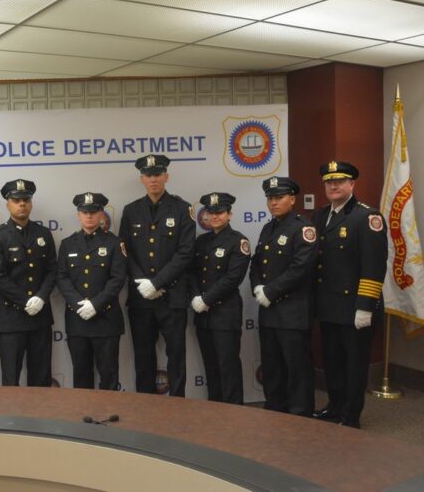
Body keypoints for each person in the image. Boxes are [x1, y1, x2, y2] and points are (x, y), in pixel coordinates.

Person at [312, 161, 388, 429]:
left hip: (355, 308)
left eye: (340, 181)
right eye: (329, 182)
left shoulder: (367, 217)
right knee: (332, 362)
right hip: (329, 306)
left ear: (352, 184)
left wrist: (365, 306)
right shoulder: (321, 216)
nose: (333, 186)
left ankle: (351, 416)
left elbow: (374, 266)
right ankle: (335, 407)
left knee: (354, 365)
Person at [119, 155, 194, 396]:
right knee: (143, 356)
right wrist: (144, 283)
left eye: (158, 174)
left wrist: (158, 282)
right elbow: (125, 250)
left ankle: (178, 404)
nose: (153, 179)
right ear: (142, 179)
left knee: (176, 355)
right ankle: (145, 406)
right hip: (141, 298)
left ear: (166, 177)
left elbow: (185, 252)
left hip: (172, 297)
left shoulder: (182, 209)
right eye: (148, 175)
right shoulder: (131, 211)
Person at [249, 176, 317, 416]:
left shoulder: (303, 228)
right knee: (272, 365)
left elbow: (300, 268)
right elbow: (256, 263)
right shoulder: (268, 228)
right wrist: (257, 287)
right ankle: (275, 408)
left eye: (279, 197)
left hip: (293, 312)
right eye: (270, 198)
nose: (273, 203)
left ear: (292, 199)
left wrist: (270, 291)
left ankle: (300, 415)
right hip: (269, 311)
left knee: (297, 368)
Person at [0, 179, 57, 386]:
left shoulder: (43, 234)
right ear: (7, 204)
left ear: (31, 203)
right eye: (16, 200)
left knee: (41, 377)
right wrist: (25, 301)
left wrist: (41, 297)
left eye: (26, 200)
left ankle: (41, 409)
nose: (22, 204)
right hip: (11, 318)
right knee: (11, 378)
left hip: (40, 317)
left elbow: (52, 270)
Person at [57, 193, 127, 390]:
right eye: (84, 212)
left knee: (109, 376)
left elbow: (117, 279)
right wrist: (79, 304)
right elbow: (62, 277)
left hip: (106, 320)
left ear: (101, 214)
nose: (89, 216)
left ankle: (109, 410)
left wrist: (95, 304)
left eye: (94, 212)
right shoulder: (67, 244)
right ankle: (82, 411)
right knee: (81, 375)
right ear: (78, 215)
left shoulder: (114, 243)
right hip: (77, 319)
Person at [189, 192, 251, 405]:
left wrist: (206, 299)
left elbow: (233, 278)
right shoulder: (201, 241)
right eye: (211, 212)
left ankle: (233, 409)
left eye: (220, 212)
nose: (215, 216)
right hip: (203, 316)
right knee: (211, 365)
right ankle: (214, 408)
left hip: (225, 313)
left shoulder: (238, 241)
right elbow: (192, 272)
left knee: (228, 365)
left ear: (229, 214)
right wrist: (196, 296)